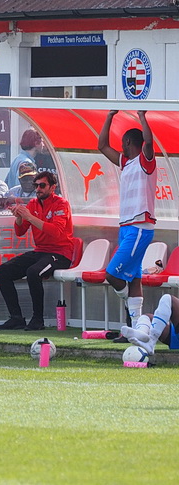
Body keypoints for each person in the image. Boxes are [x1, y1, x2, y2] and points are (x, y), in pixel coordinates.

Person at [98, 110, 156, 328]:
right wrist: (109, 116)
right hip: (126, 226)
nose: (120, 146)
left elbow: (149, 142)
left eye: (122, 142)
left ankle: (136, 319)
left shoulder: (145, 160)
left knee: (112, 275)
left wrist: (142, 116)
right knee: (134, 279)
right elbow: (102, 146)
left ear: (128, 141)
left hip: (140, 226)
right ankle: (136, 328)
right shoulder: (126, 162)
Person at [0, 171, 74, 331]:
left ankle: (38, 319)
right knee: (3, 271)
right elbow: (20, 232)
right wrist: (18, 217)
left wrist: (29, 217)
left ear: (53, 187)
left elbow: (56, 232)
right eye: (36, 185)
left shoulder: (61, 204)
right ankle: (16, 318)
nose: (38, 189)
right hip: (40, 251)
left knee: (33, 272)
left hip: (60, 254)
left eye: (42, 185)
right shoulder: (33, 204)